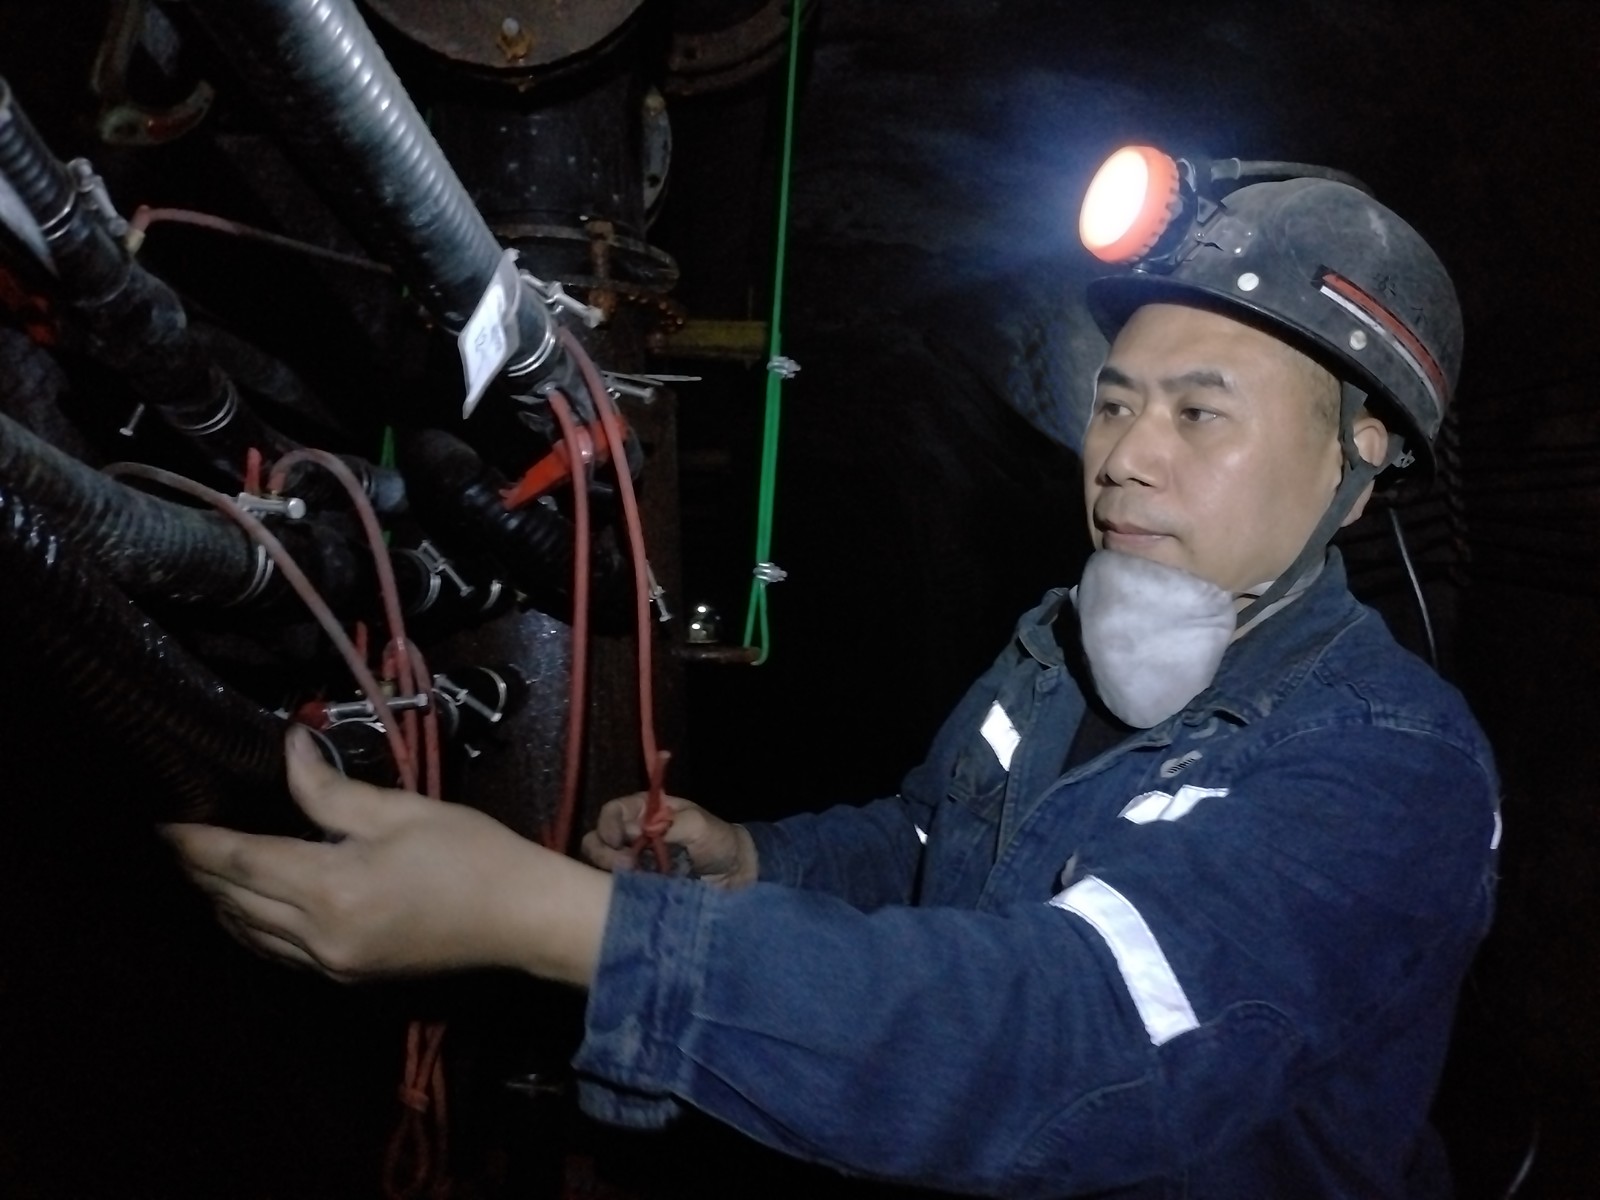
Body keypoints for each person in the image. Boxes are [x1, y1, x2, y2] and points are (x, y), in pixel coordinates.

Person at [168, 151, 1500, 1199]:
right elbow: (925, 841)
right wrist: (762, 860)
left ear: (1359, 461)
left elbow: (1064, 1043)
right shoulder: (1057, 649)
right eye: (1114, 401)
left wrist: (551, 920)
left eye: (1199, 412)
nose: (1125, 457)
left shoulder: (1388, 766)